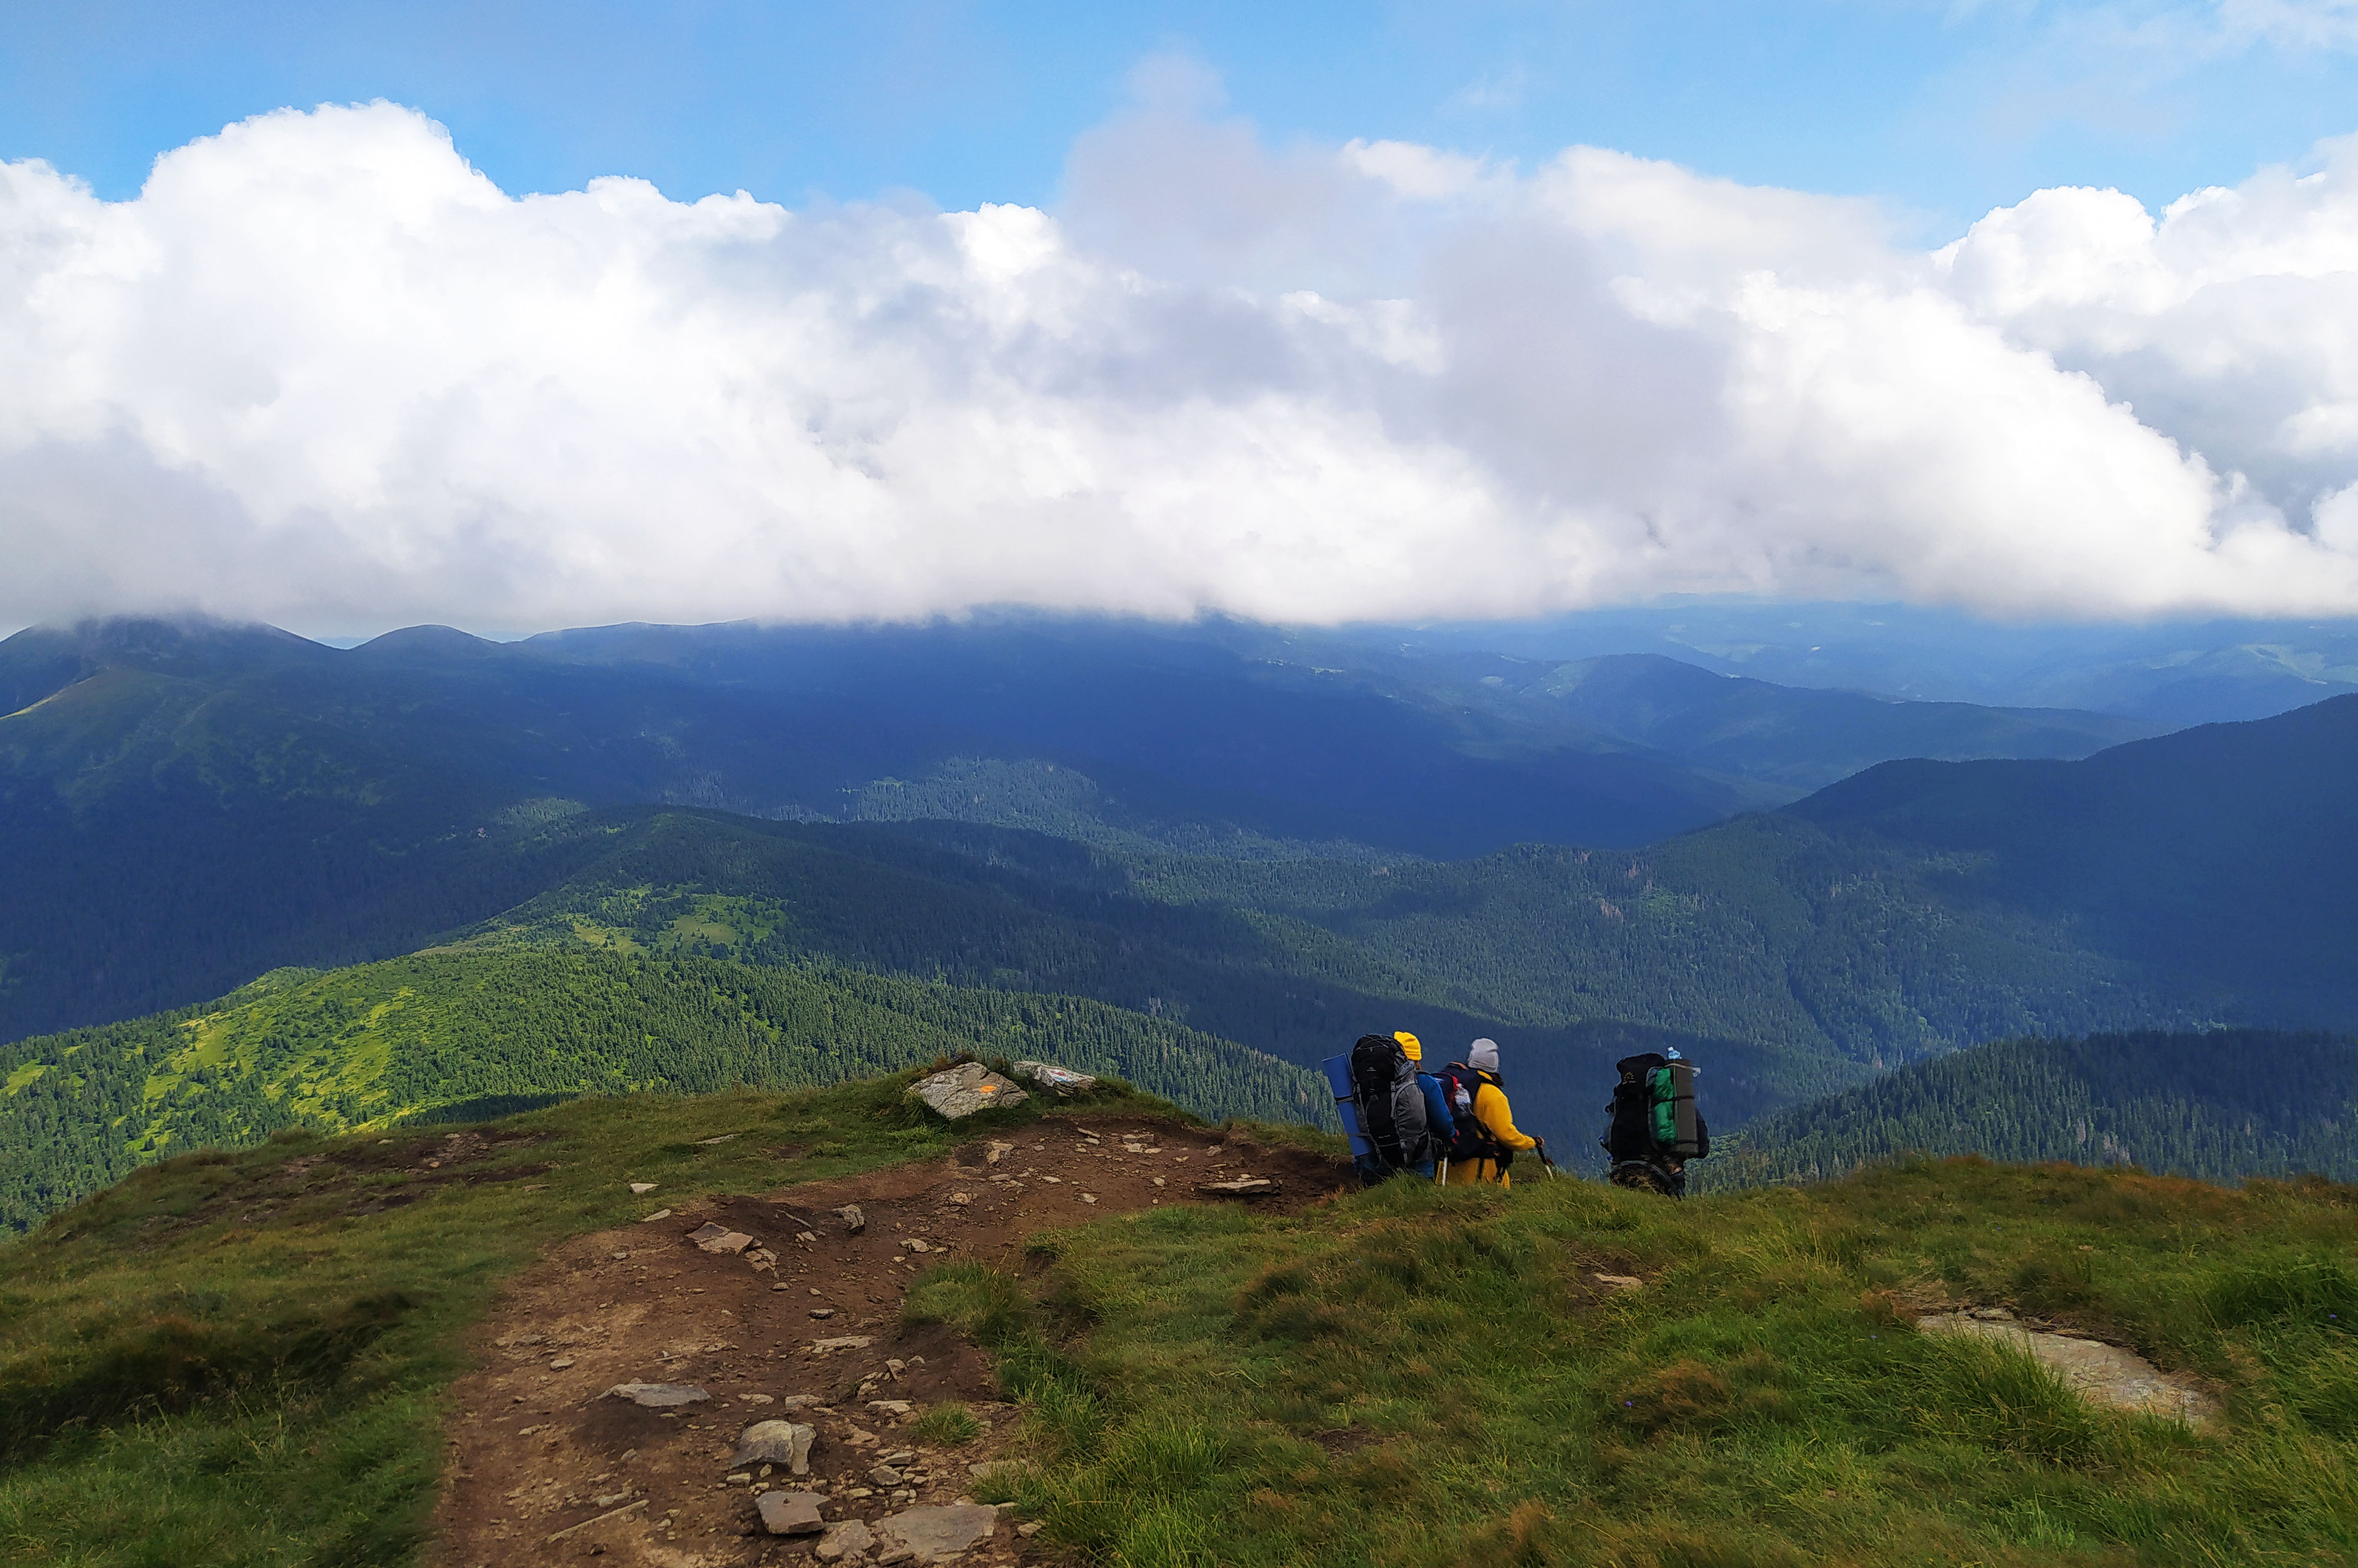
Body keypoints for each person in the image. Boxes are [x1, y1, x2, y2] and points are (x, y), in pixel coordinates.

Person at [1438, 1038, 1543, 1187]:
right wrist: (1532, 1143)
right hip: (1480, 1174)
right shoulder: (1493, 1094)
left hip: (1449, 1167)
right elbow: (1506, 1135)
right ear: (1494, 1065)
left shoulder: (1456, 1087)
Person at [1394, 1032, 1456, 1180]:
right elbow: (1443, 1123)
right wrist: (1453, 1136)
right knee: (1417, 1197)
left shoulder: (1379, 1080)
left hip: (1379, 1154)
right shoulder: (1425, 1082)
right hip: (1418, 1156)